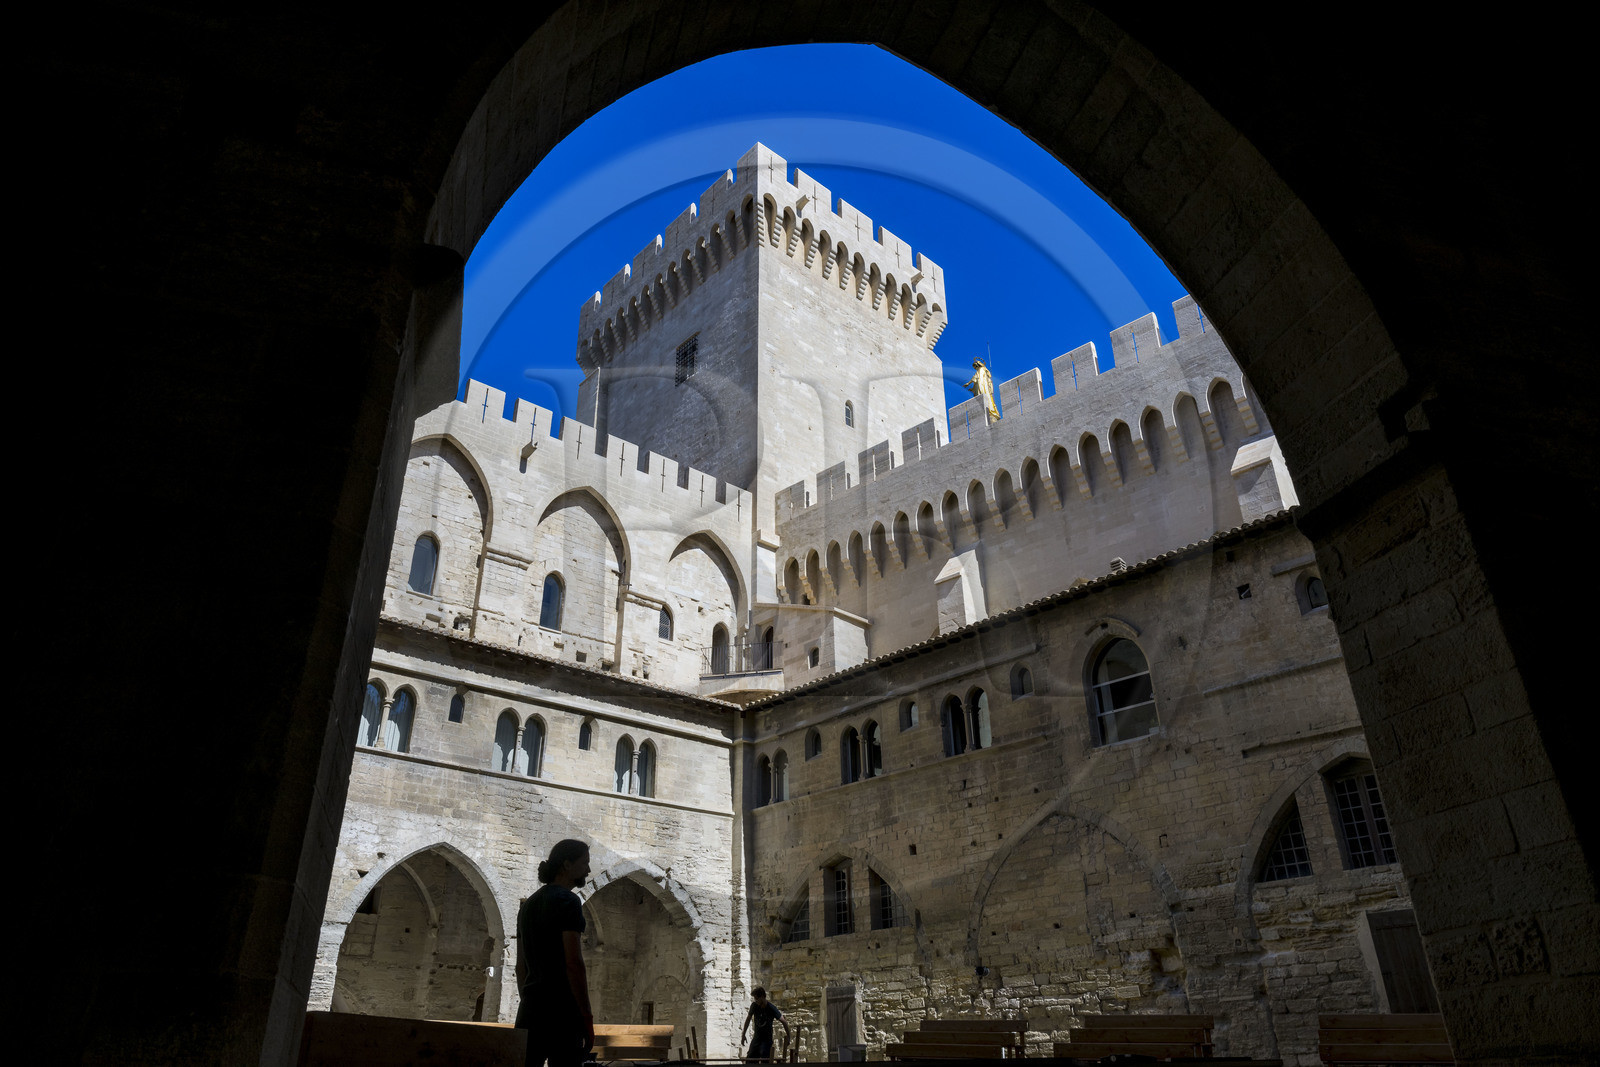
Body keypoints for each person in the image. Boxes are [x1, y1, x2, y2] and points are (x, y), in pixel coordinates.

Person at [515, 839, 595, 1067]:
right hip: (562, 1012)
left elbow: (521, 966)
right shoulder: (568, 901)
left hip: (530, 1009)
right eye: (585, 863)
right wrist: (586, 1016)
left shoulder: (528, 905)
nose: (588, 870)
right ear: (567, 865)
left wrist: (529, 1001)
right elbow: (573, 963)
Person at [739, 987, 790, 1062]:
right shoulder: (754, 1006)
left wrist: (789, 1036)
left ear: (762, 997)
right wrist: (743, 1035)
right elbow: (748, 1019)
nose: (756, 1001)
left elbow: (784, 1022)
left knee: (764, 1058)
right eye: (755, 999)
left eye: (757, 999)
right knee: (750, 1058)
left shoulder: (771, 1008)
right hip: (757, 1038)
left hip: (766, 1039)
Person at [964, 358, 1000, 423]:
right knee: (985, 397)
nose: (975, 368)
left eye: (975, 367)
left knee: (986, 396)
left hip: (983, 386)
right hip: (982, 386)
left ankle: (990, 411)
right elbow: (976, 379)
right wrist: (973, 388)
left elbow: (975, 378)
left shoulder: (981, 370)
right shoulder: (983, 370)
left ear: (978, 365)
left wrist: (968, 383)